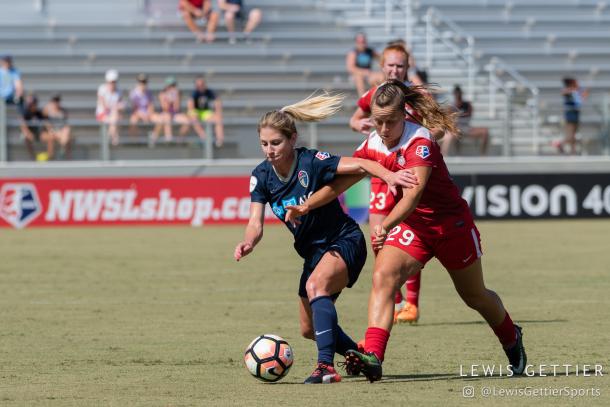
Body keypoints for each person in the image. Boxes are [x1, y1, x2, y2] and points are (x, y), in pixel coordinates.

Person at [287, 80, 527, 382]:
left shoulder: (421, 142)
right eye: (378, 121)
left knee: (474, 296)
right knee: (383, 277)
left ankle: (511, 337)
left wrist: (385, 225)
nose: (384, 129)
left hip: (450, 226)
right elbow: (341, 184)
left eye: (391, 121)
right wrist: (307, 205)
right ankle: (373, 356)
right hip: (414, 229)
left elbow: (413, 196)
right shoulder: (371, 144)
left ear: (405, 116)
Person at [233, 92, 417, 384]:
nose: (269, 150)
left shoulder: (312, 161)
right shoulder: (261, 176)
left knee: (315, 284)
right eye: (264, 144)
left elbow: (362, 164)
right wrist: (249, 242)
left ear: (293, 139)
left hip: (344, 240)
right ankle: (360, 355)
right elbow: (255, 223)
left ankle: (325, 367)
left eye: (276, 143)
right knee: (308, 328)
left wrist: (390, 176)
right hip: (313, 253)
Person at [349, 43, 427, 324]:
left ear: (408, 68)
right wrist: (359, 124)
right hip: (382, 174)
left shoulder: (417, 97)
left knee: (411, 238)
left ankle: (412, 303)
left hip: (409, 177)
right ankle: (393, 301)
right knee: (379, 237)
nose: (395, 70)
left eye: (400, 66)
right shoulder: (374, 95)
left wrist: (427, 136)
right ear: (382, 67)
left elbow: (438, 126)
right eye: (390, 65)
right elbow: (354, 119)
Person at [441, 85, 489, 156]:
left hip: (467, 128)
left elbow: (469, 115)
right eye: (456, 94)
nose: (458, 95)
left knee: (485, 132)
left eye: (459, 93)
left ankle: (483, 154)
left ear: (461, 93)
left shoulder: (467, 105)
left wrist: (457, 117)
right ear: (454, 94)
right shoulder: (451, 107)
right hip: (456, 129)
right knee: (451, 134)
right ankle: (448, 155)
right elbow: (448, 120)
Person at [150, 76, 191, 145]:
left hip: (175, 114)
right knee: (167, 116)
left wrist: (176, 97)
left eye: (173, 85)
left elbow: (176, 108)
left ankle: (179, 139)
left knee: (188, 121)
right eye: (170, 85)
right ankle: (168, 139)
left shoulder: (177, 94)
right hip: (165, 114)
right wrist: (169, 100)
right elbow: (165, 108)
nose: (171, 87)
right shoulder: (162, 94)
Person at [187, 75, 225, 147]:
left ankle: (219, 139)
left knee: (218, 118)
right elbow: (190, 106)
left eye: (202, 84)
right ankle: (204, 136)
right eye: (198, 85)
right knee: (193, 116)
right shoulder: (194, 93)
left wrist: (218, 111)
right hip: (196, 112)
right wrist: (194, 113)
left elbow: (217, 101)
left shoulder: (209, 92)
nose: (200, 86)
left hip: (205, 112)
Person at [554, 77, 588, 155]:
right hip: (570, 116)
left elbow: (582, 97)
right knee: (570, 135)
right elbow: (564, 93)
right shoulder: (568, 90)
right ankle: (560, 144)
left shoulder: (576, 91)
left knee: (574, 135)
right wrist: (575, 90)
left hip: (576, 114)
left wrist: (582, 92)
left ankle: (573, 150)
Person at [96, 69, 124, 146]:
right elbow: (104, 106)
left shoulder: (119, 91)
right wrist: (115, 107)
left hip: (112, 116)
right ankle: (113, 138)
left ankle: (109, 138)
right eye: (111, 82)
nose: (112, 84)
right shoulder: (102, 89)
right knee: (115, 116)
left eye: (114, 82)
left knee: (115, 117)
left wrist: (116, 108)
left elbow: (121, 105)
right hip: (102, 114)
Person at [345, 33, 379, 97]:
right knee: (359, 77)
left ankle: (376, 98)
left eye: (363, 42)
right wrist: (364, 72)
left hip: (368, 75)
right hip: (356, 75)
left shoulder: (370, 51)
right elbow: (350, 68)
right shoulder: (353, 53)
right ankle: (362, 99)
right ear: (356, 42)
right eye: (359, 42)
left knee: (380, 77)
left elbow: (381, 58)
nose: (362, 44)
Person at [20, 94, 50, 161]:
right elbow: (23, 125)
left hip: (38, 133)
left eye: (33, 104)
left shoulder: (39, 113)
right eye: (30, 105)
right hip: (29, 132)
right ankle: (32, 156)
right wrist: (28, 133)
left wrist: (48, 131)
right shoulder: (26, 113)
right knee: (26, 137)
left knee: (50, 137)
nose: (32, 106)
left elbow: (46, 123)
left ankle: (49, 156)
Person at [42, 94, 72, 160]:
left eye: (57, 100)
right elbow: (46, 123)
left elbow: (66, 124)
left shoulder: (63, 111)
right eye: (54, 100)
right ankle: (51, 158)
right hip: (52, 131)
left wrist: (63, 131)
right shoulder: (47, 110)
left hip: (61, 132)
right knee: (51, 138)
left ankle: (67, 158)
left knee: (67, 135)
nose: (56, 102)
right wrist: (53, 131)